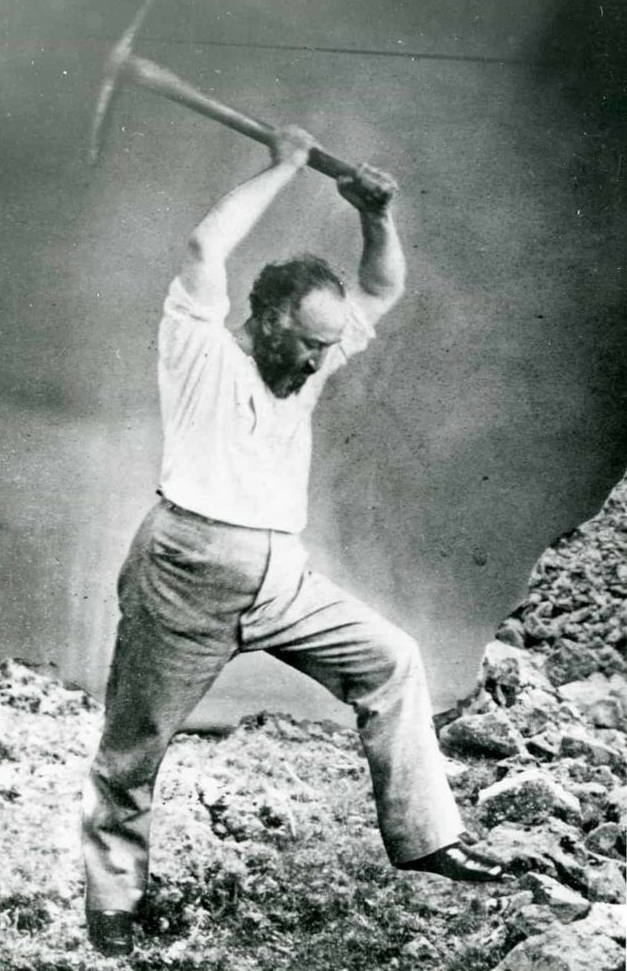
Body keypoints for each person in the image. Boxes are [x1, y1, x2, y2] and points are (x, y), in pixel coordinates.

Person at [82, 127, 503, 957]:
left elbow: (380, 288)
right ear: (268, 317)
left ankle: (428, 839)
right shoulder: (198, 348)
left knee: (392, 660)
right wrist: (283, 164)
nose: (320, 359)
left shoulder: (303, 362)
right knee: (130, 754)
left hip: (282, 577)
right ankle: (113, 911)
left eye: (326, 344)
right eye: (308, 342)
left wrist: (374, 215)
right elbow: (206, 244)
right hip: (186, 571)